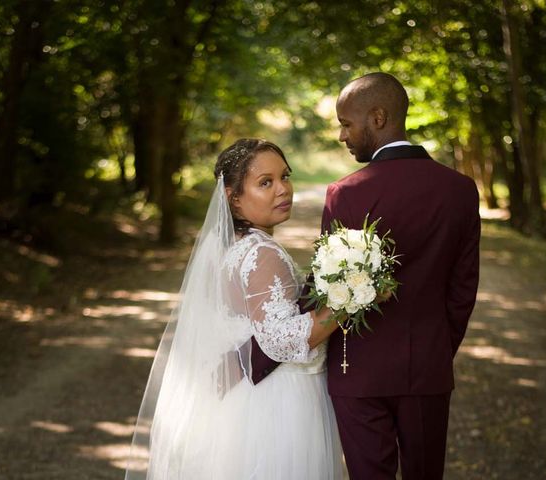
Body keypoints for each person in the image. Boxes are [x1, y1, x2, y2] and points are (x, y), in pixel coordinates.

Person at [252, 72, 481, 479]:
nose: (343, 135)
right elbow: (463, 289)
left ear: (377, 117)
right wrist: (438, 350)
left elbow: (325, 288)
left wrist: (262, 352)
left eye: (345, 123)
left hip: (356, 369)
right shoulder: (460, 189)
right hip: (428, 366)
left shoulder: (348, 192)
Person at [125, 139, 343, 479]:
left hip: (242, 400)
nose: (283, 189)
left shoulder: (228, 248)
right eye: (265, 182)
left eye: (285, 176)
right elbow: (280, 342)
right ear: (233, 197)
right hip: (276, 404)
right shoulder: (262, 253)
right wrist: (349, 301)